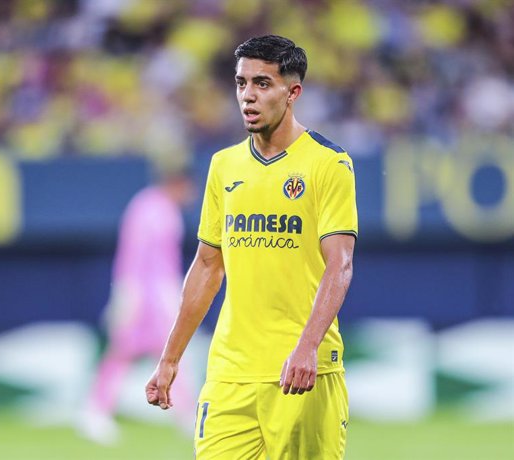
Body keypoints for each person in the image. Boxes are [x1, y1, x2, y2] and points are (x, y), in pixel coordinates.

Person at [145, 35, 358, 459]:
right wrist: (171, 358)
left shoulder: (329, 164)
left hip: (299, 371)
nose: (248, 95)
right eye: (241, 83)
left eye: (262, 83)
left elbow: (341, 264)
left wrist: (308, 346)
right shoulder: (224, 166)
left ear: (292, 92)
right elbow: (207, 267)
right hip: (230, 372)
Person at [77, 165, 197, 445]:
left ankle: (185, 415)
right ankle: (95, 411)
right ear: (178, 183)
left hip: (154, 295)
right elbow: (134, 255)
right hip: (146, 297)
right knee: (133, 353)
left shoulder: (158, 208)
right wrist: (127, 292)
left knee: (161, 355)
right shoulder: (151, 209)